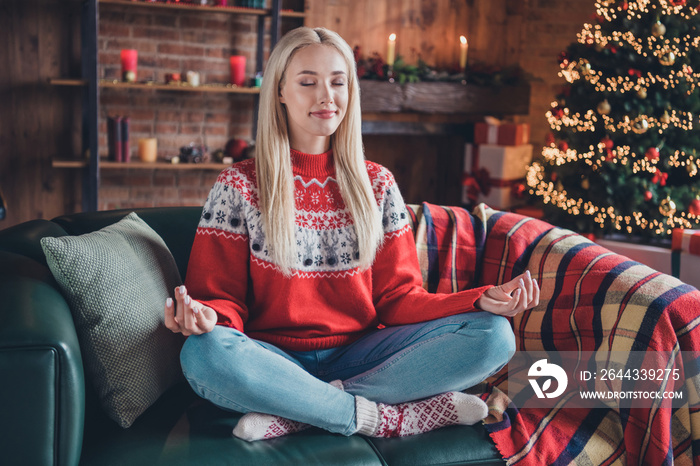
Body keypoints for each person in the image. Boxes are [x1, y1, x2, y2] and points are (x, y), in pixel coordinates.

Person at [164, 26, 539, 442]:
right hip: (272, 359)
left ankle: (298, 411)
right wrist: (208, 316)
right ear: (280, 93)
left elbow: (398, 299)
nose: (327, 96)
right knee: (203, 353)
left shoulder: (378, 184)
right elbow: (222, 301)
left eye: (338, 82)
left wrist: (476, 299)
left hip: (364, 357)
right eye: (308, 82)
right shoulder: (238, 185)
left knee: (492, 336)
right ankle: (377, 417)